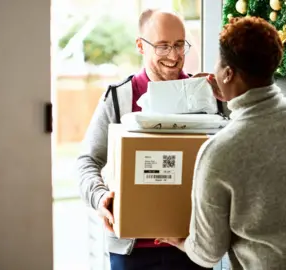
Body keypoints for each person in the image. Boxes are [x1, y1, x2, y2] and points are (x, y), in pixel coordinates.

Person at [157, 17, 286, 269]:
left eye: (218, 66)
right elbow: (264, 137)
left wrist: (181, 241)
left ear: (228, 73)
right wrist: (231, 94)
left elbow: (207, 253)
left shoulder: (219, 152)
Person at [76, 9, 212, 270]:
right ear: (141, 45)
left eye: (179, 44)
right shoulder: (118, 98)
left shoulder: (204, 95)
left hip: (191, 246)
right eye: (162, 46)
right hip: (132, 252)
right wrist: (99, 196)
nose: (174, 56)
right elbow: (87, 161)